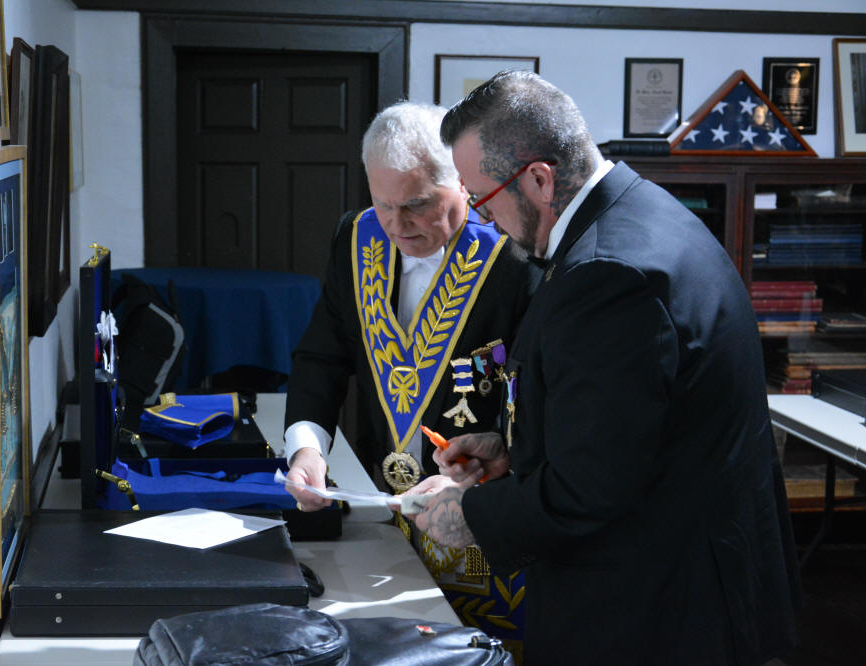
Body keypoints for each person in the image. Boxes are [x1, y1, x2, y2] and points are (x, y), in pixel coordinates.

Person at [402, 70, 801, 665]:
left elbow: (587, 491)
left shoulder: (606, 276)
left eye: (482, 200)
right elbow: (636, 426)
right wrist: (515, 450)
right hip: (702, 573)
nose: (485, 222)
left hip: (660, 611)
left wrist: (466, 516)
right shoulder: (641, 208)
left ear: (540, 179)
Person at [283, 101, 539, 652]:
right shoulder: (356, 237)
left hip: (480, 527)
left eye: (418, 205)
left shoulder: (515, 257)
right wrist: (307, 447)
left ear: (462, 182)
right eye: (383, 204)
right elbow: (322, 356)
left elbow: (540, 398)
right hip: (382, 528)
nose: (398, 225)